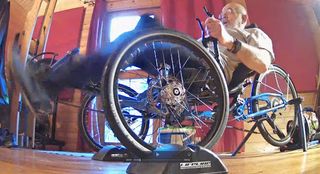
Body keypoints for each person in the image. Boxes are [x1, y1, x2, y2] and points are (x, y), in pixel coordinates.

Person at [204, 2, 274, 84]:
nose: (223, 16)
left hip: (213, 66)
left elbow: (263, 64)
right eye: (221, 15)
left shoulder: (254, 33)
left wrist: (229, 42)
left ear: (243, 18)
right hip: (195, 52)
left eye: (229, 11)